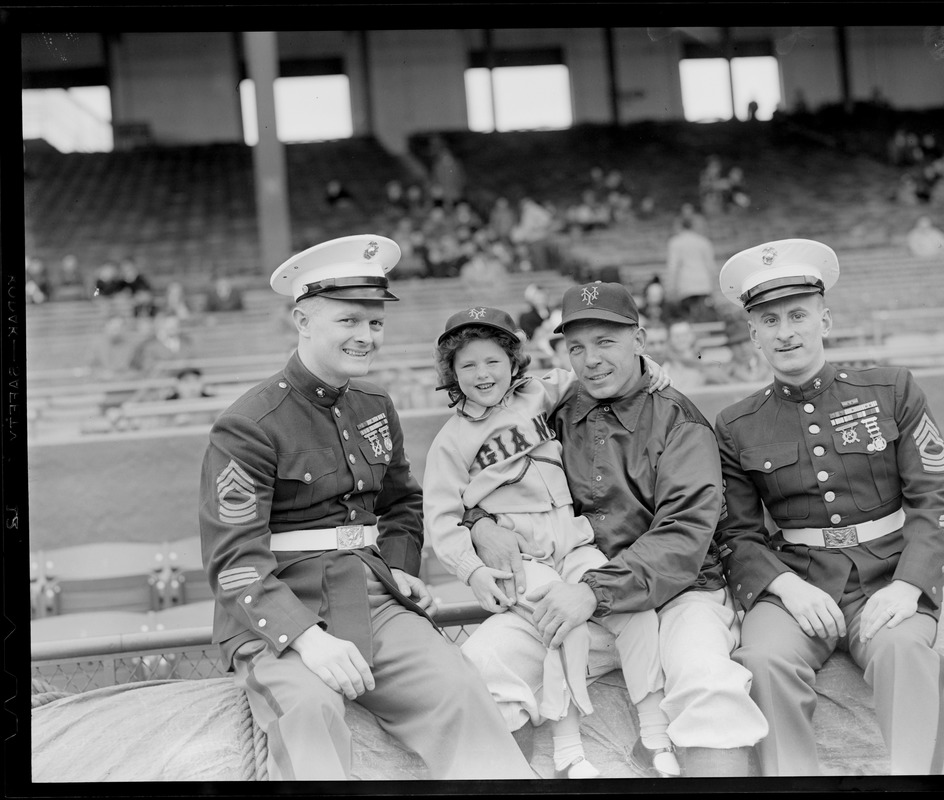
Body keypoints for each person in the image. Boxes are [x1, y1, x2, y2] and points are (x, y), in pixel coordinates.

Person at [198, 235, 538, 782]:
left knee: (461, 690)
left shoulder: (374, 404)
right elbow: (232, 557)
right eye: (348, 321)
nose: (365, 336)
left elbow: (402, 502)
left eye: (374, 323)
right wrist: (306, 638)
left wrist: (401, 568)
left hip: (375, 601)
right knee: (311, 713)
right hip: (281, 613)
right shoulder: (251, 422)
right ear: (303, 320)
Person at [460, 282, 768, 778]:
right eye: (576, 347)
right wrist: (479, 525)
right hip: (570, 590)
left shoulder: (679, 419)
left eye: (606, 342)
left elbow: (684, 534)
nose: (590, 360)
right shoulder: (551, 411)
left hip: (676, 598)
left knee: (710, 686)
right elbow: (486, 477)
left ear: (640, 340)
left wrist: (593, 591)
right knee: (480, 666)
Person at [713, 238, 944, 776]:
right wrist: (784, 587)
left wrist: (909, 584)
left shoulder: (890, 388)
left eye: (798, 314)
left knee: (904, 654)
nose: (786, 332)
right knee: (763, 661)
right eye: (769, 320)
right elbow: (736, 533)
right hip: (798, 580)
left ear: (825, 319)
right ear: (753, 335)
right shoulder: (735, 424)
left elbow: (933, 496)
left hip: (890, 572)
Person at [425, 306, 677, 779]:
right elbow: (441, 519)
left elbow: (592, 374)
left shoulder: (540, 392)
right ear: (451, 373)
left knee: (634, 609)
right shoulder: (451, 438)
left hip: (573, 539)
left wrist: (648, 370)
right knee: (566, 624)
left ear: (514, 361)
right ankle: (567, 750)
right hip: (522, 553)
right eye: (468, 365)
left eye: (493, 360)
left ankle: (654, 731)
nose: (483, 374)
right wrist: (474, 570)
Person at [666, 216, 718, 323]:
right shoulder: (704, 242)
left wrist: (671, 288)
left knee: (689, 318)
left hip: (686, 285)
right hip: (704, 283)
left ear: (680, 226)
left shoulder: (675, 242)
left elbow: (673, 266)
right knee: (704, 318)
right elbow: (711, 267)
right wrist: (714, 288)